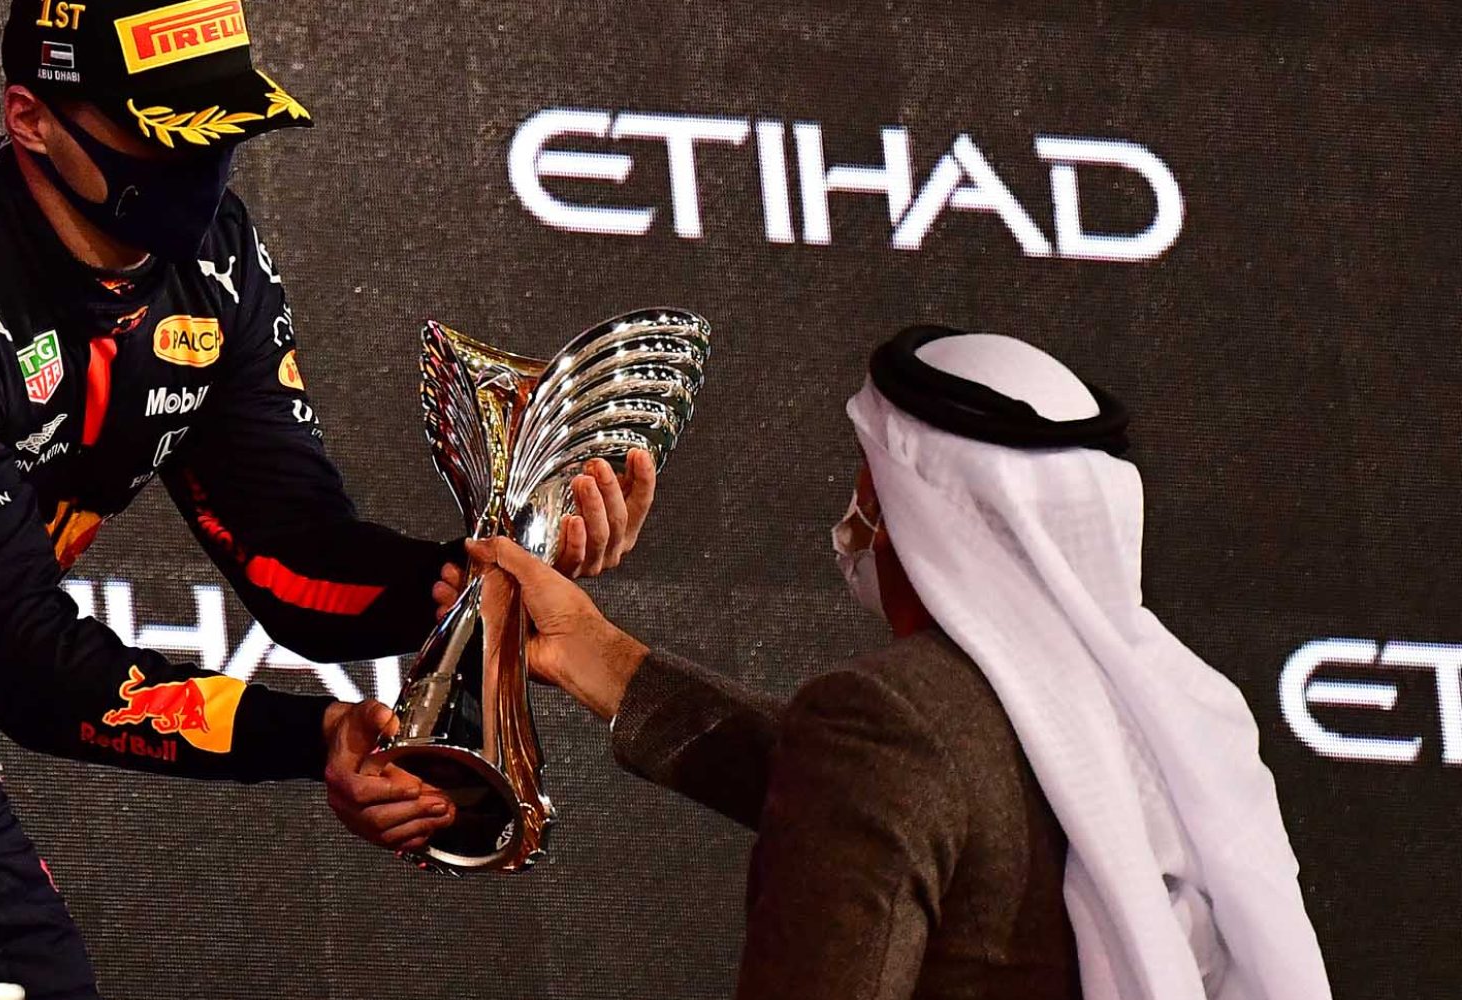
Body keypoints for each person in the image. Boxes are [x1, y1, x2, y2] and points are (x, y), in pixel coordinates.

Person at [0, 2, 655, 998]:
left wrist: (483, 576)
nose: (201, 166)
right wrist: (316, 739)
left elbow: (295, 561)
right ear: (30, 118)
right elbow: (25, 663)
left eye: (226, 128)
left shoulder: (219, 264)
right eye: (164, 134)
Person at [467, 326, 1333, 1000]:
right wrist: (607, 658)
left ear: (917, 517)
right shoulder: (1169, 716)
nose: (854, 527)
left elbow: (895, 785)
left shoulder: (892, 716)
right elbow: (909, 799)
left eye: (867, 497)